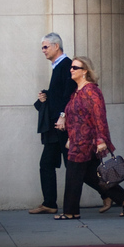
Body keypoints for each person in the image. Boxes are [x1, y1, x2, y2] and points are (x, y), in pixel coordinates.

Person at [55, 56, 124, 220]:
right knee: (91, 176)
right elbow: (74, 116)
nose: (71, 70)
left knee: (73, 174)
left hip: (86, 141)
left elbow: (99, 116)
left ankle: (71, 212)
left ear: (85, 72)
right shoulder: (77, 92)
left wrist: (101, 140)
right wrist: (68, 132)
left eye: (75, 67)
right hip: (77, 139)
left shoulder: (91, 90)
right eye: (71, 67)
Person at [30, 33, 78, 215]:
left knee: (74, 165)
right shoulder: (58, 66)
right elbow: (58, 94)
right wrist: (46, 95)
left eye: (45, 47)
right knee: (46, 164)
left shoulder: (66, 66)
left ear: (56, 46)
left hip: (62, 126)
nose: (43, 50)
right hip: (54, 127)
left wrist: (62, 116)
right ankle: (49, 203)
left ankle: (111, 193)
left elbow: (69, 94)